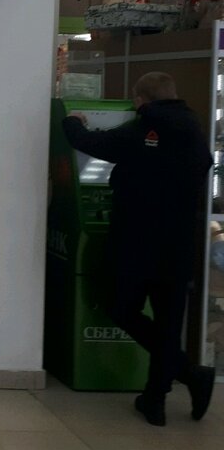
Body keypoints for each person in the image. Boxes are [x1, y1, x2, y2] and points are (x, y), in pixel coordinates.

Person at [62, 71, 215, 426]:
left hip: (136, 240)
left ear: (140, 100)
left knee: (121, 308)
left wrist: (72, 120)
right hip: (179, 244)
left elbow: (90, 144)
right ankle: (156, 399)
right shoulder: (194, 131)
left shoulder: (142, 128)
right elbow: (204, 166)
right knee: (168, 323)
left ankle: (188, 376)